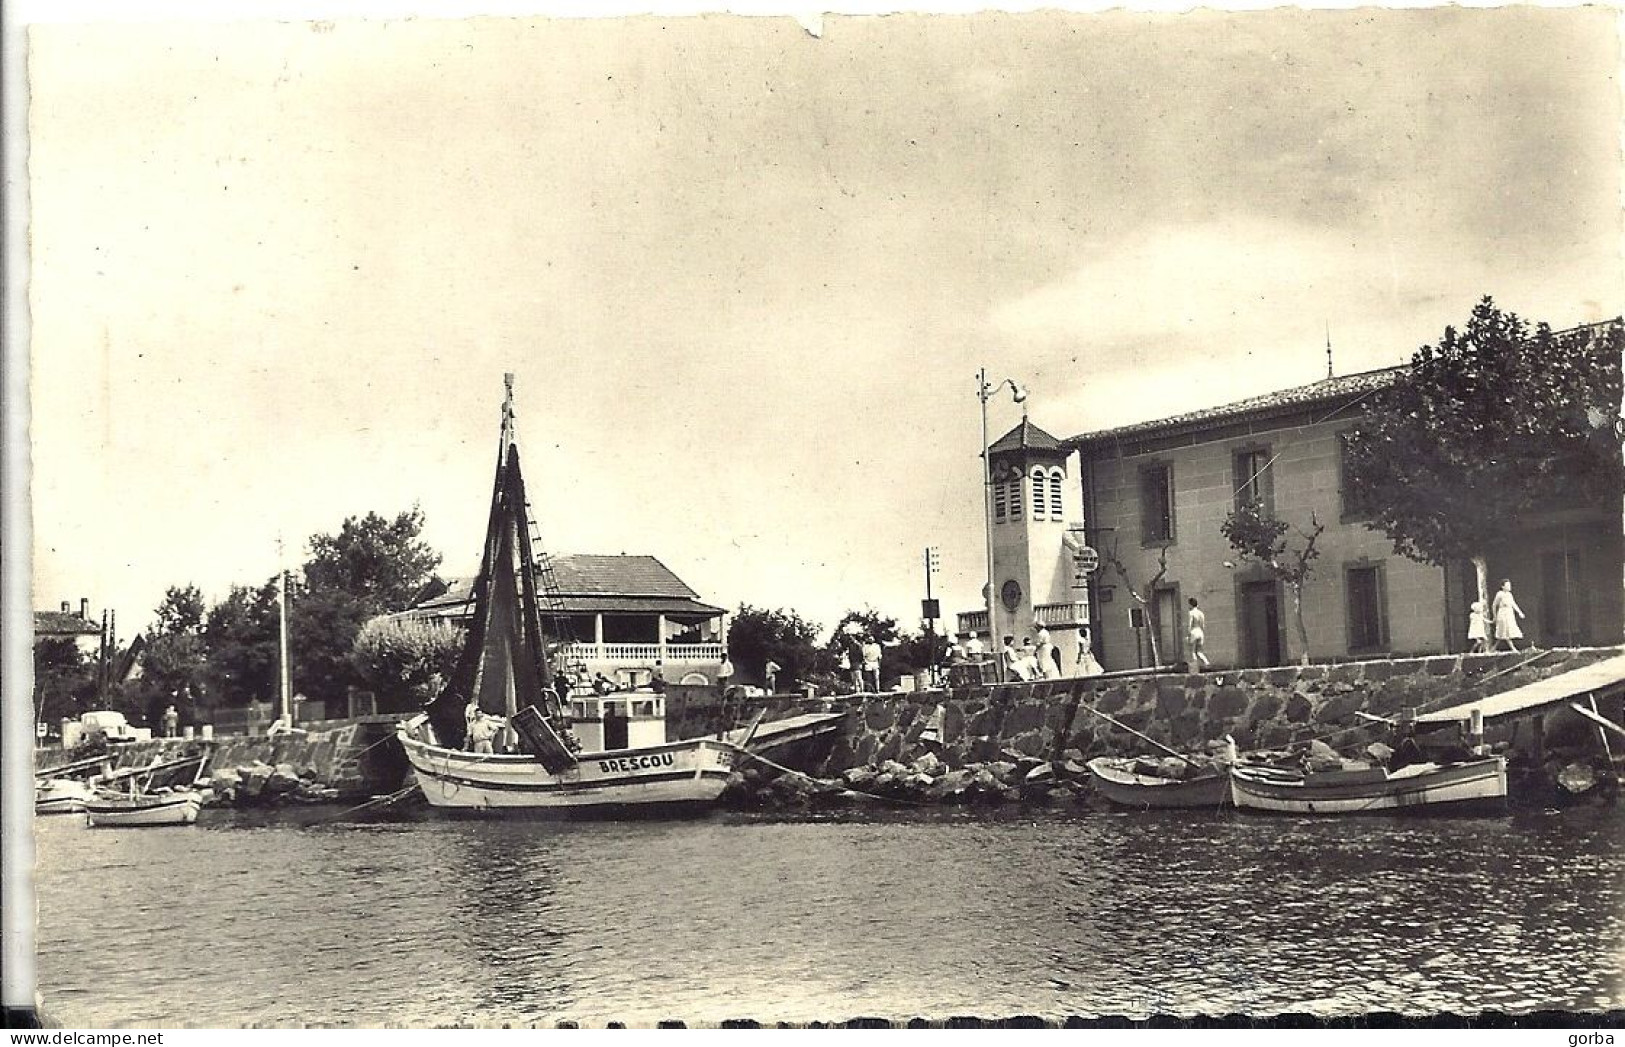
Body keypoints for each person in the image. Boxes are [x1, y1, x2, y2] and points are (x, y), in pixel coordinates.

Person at [1492, 579, 1527, 651]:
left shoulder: (1509, 595)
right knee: (1504, 630)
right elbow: (1494, 605)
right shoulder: (1500, 594)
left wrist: (1520, 612)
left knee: (1505, 632)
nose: (1509, 587)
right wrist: (1494, 616)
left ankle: (1493, 648)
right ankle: (1513, 648)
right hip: (1503, 613)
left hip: (1509, 613)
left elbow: (1513, 604)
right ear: (1503, 586)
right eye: (1507, 585)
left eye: (1509, 585)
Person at [1187, 598, 1212, 669]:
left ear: (1191, 605)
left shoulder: (1191, 613)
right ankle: (1206, 662)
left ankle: (1194, 668)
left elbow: (1190, 624)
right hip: (1200, 632)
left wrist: (1188, 635)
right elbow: (1203, 625)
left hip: (1194, 631)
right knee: (1199, 652)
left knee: (1192, 652)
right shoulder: (1201, 613)